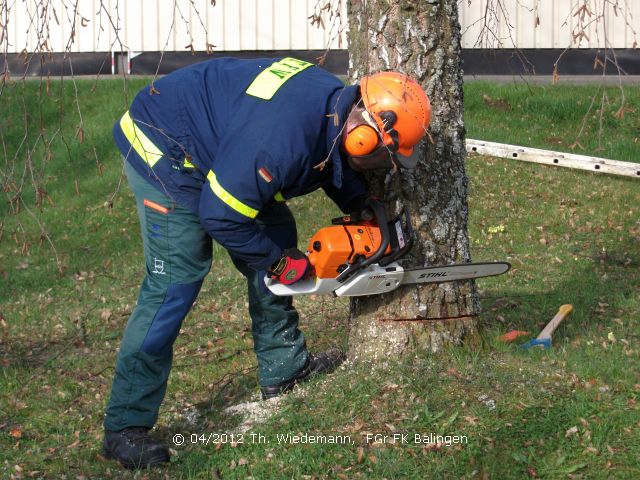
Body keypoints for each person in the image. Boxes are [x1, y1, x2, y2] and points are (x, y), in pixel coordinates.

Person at [102, 56, 431, 469]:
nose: (386, 164)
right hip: (165, 145)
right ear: (362, 135)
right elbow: (219, 215)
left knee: (277, 239)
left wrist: (360, 204)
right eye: (384, 155)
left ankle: (284, 369)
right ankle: (124, 426)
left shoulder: (332, 106)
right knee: (178, 279)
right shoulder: (283, 140)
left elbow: (328, 159)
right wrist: (278, 264)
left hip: (228, 146)